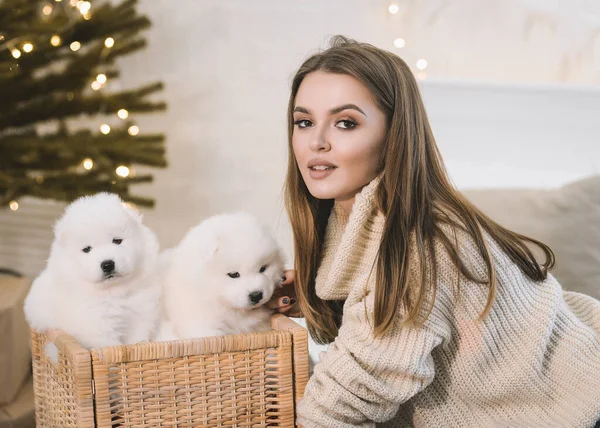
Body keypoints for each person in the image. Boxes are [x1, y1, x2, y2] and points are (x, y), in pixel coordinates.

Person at [268, 35, 600, 427]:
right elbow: (387, 317)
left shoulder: (422, 243)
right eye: (304, 122)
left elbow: (349, 396)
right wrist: (307, 298)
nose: (316, 142)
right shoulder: (351, 220)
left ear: (394, 134)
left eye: (345, 123)